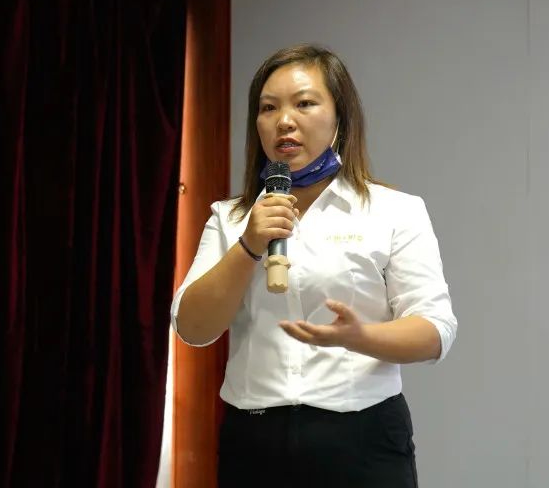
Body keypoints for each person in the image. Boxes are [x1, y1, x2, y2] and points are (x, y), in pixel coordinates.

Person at [170, 43, 457, 487]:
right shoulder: (231, 218)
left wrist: (361, 338)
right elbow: (192, 328)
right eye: (269, 108)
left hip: (363, 439)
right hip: (254, 443)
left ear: (340, 117)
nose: (284, 120)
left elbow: (436, 330)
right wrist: (248, 245)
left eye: (304, 103)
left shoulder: (394, 210)